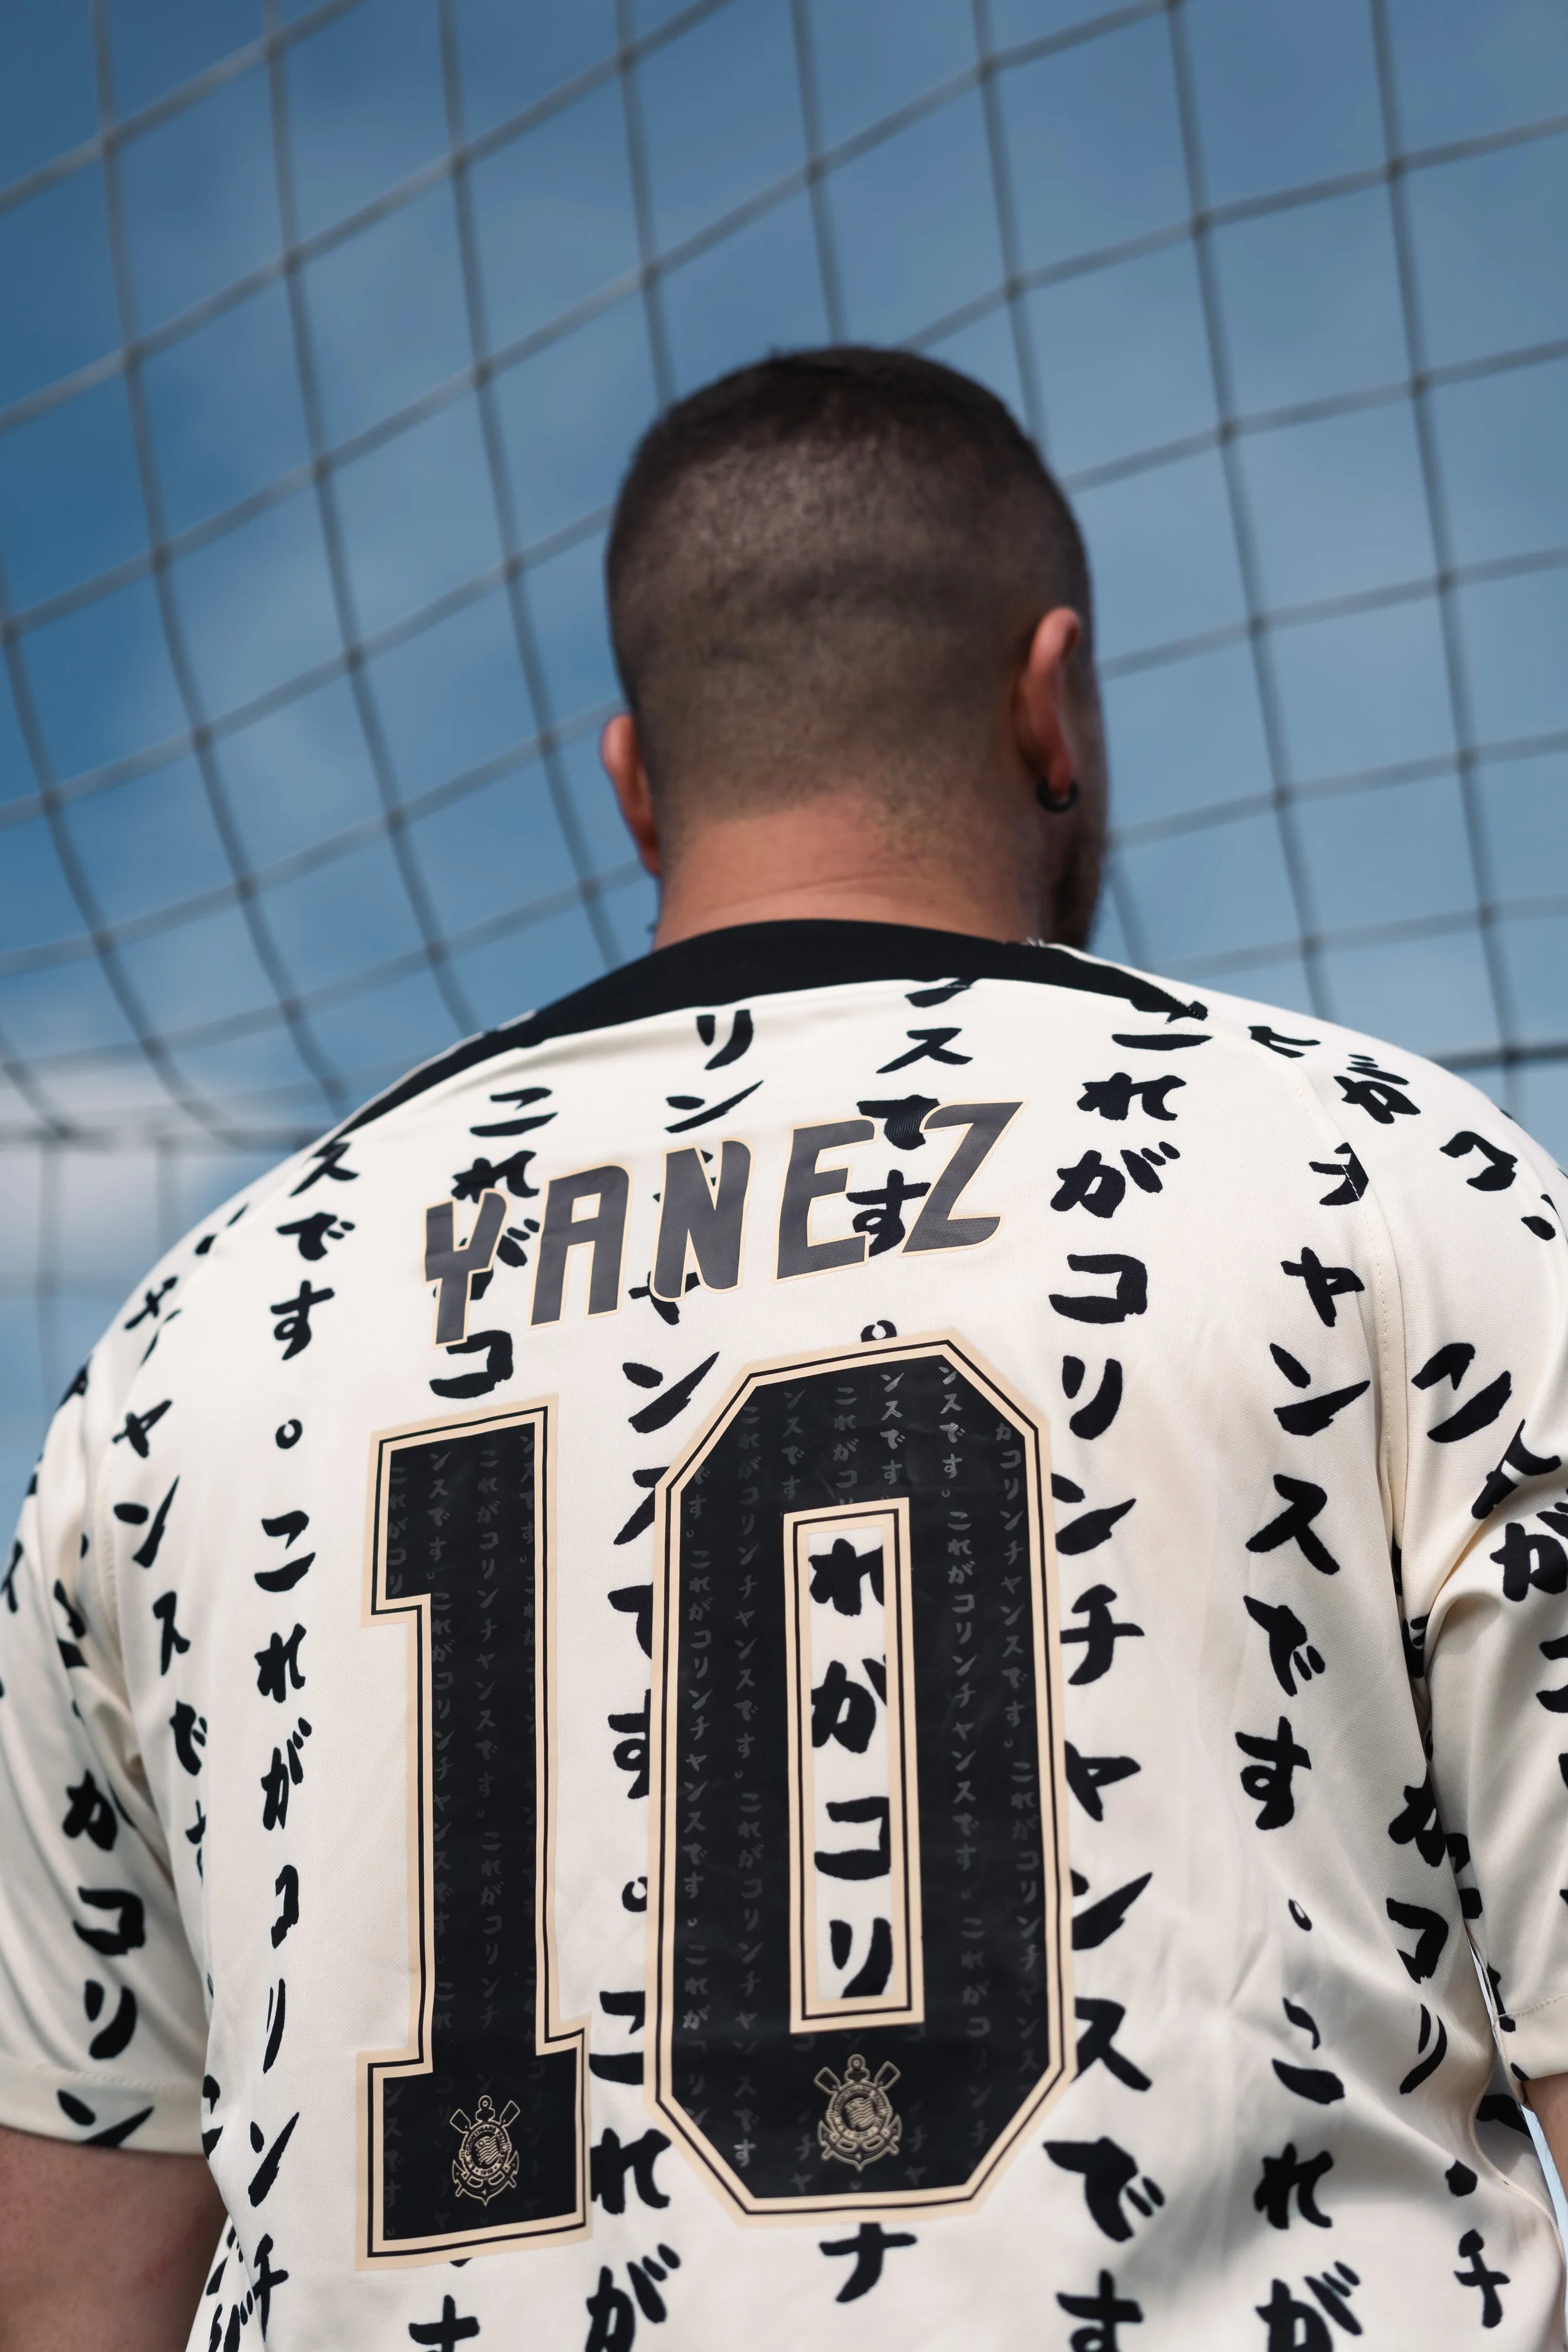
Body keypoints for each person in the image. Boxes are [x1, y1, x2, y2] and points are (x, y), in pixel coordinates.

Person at [1, 346, 1566, 2352]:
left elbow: (71, 2271)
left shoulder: (183, 1353)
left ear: (637, 778)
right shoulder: (1387, 1192)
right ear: (1051, 699)